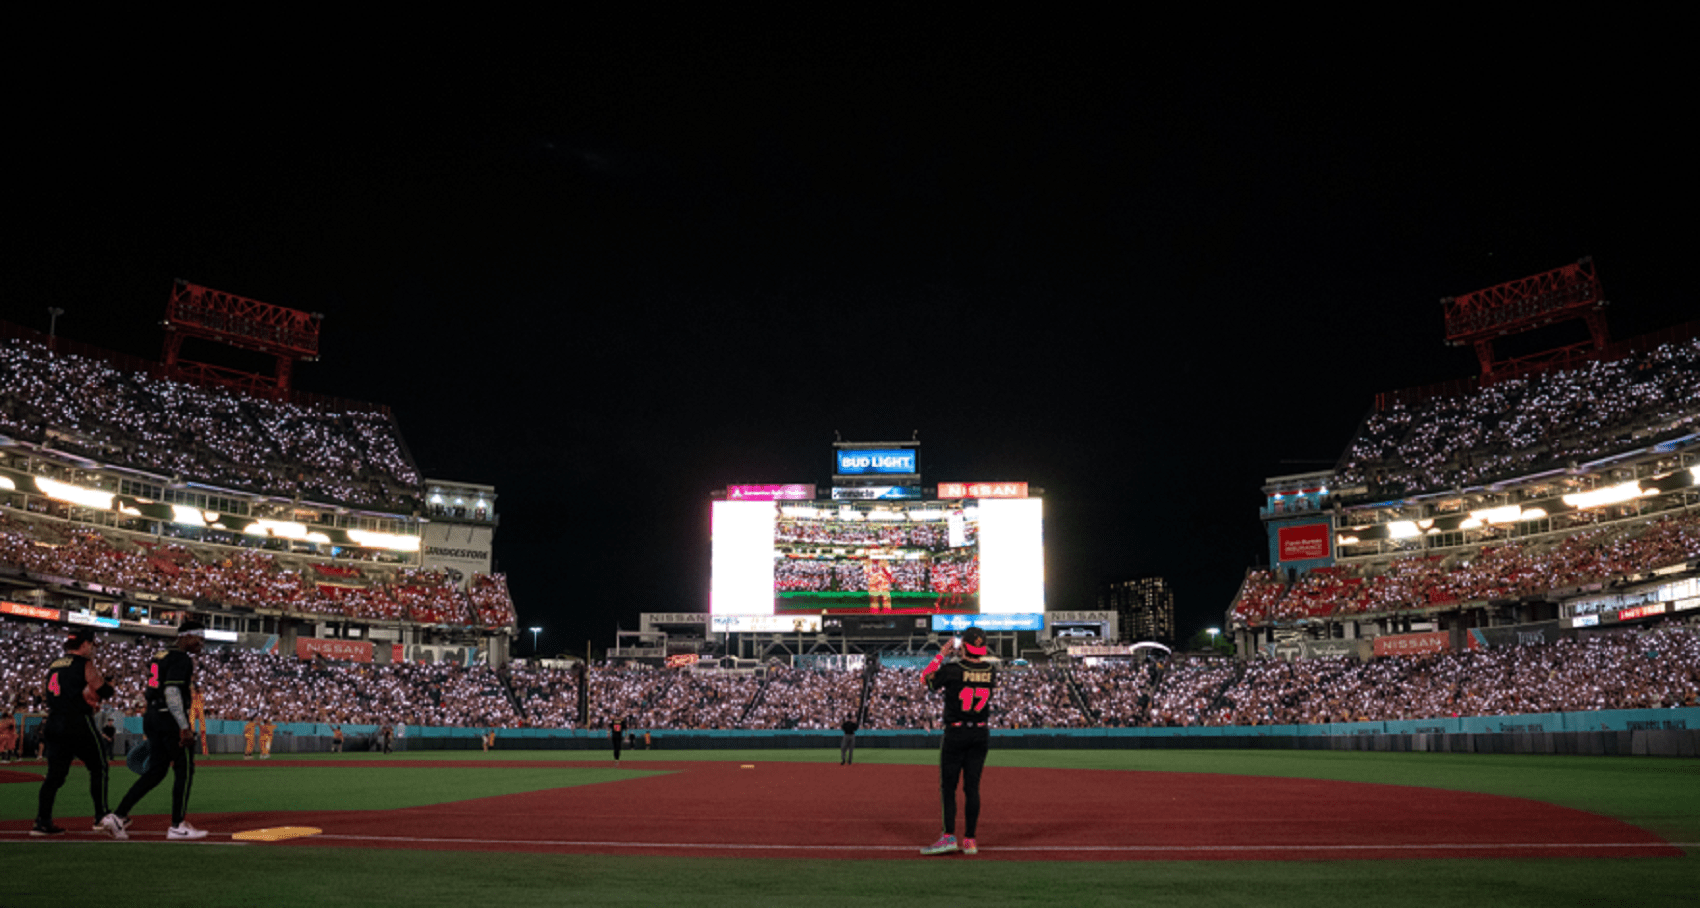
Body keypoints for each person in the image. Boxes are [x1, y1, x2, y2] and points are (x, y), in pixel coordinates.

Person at [108, 618, 210, 841]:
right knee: (184, 769)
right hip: (169, 717)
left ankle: (118, 815)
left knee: (156, 771)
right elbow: (172, 691)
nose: (201, 642)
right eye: (198, 637)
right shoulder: (181, 658)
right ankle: (177, 825)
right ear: (185, 636)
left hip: (152, 715)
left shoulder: (160, 655)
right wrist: (184, 727)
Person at [34, 629, 120, 838]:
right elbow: (102, 690)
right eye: (91, 644)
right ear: (85, 645)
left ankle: (42, 821)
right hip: (77, 722)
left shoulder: (54, 664)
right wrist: (107, 686)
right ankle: (101, 816)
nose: (92, 648)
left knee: (54, 776)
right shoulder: (84, 664)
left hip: (54, 721)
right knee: (98, 766)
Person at [919, 626, 996, 856]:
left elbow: (925, 679)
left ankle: (948, 837)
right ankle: (970, 840)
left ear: (963, 647)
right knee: (972, 787)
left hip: (956, 733)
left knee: (949, 787)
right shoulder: (991, 670)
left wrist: (941, 655)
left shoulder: (953, 669)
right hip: (980, 734)